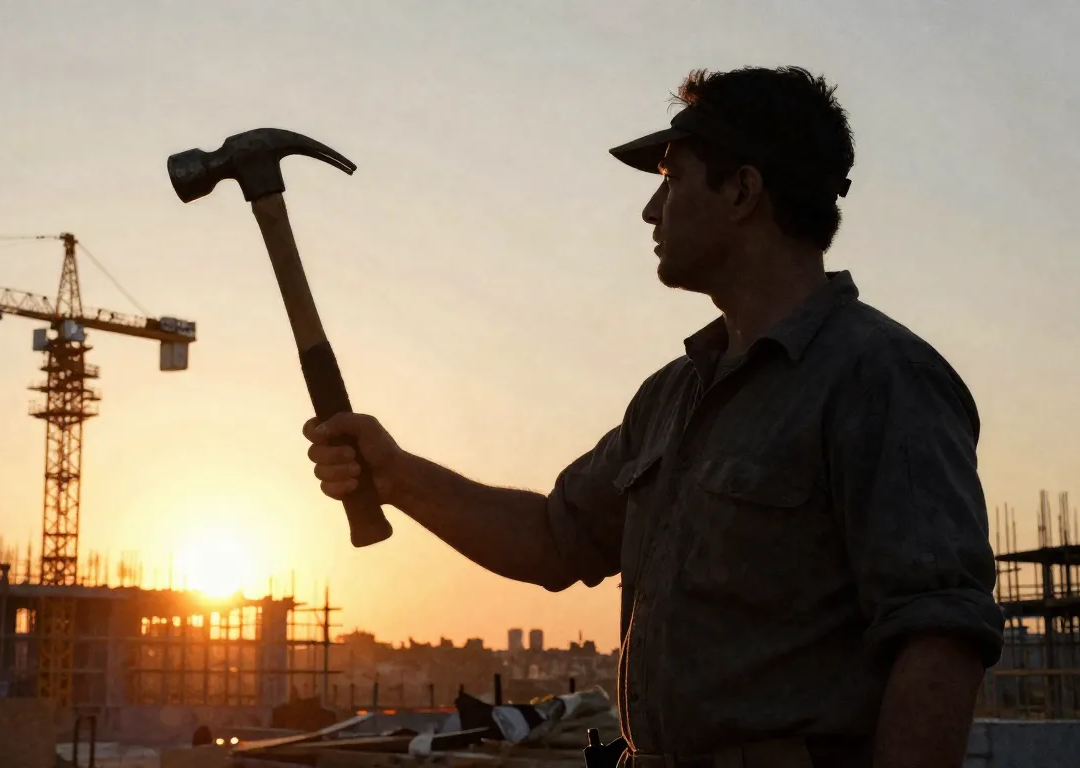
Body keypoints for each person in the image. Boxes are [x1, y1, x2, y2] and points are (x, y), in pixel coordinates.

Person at [303, 66, 1003, 768]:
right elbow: (553, 536)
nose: (650, 210)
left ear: (741, 191)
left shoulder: (881, 379)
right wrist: (395, 475)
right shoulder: (673, 398)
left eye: (671, 179)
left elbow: (937, 634)